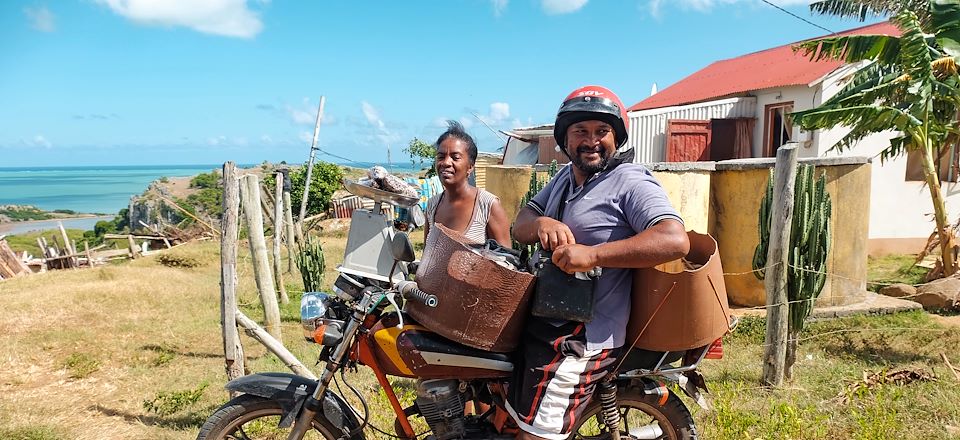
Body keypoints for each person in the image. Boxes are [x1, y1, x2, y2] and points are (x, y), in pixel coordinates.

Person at [508, 85, 690, 439]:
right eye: (580, 131)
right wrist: (543, 222)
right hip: (548, 320)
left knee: (536, 435)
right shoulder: (564, 178)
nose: (591, 141)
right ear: (564, 139)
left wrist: (592, 255)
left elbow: (674, 239)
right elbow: (521, 224)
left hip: (585, 336)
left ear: (616, 138)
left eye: (601, 131)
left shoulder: (630, 181)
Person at [423, 120, 511, 247]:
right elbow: (428, 257)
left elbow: (505, 261)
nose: (446, 163)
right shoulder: (432, 206)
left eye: (455, 157)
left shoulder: (487, 205)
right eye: (441, 157)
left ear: (470, 166)